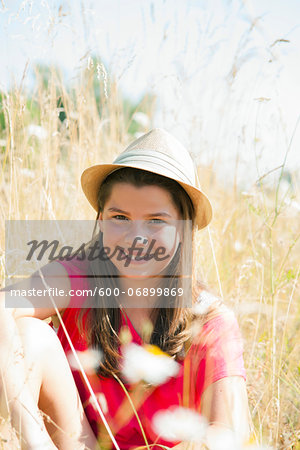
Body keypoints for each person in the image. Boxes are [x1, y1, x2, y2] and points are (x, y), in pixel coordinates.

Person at [0, 128, 250, 449]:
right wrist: (31, 435)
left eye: (156, 220)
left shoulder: (210, 320)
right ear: (101, 221)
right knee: (28, 333)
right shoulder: (79, 276)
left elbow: (231, 432)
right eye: (120, 216)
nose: (136, 237)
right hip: (77, 443)